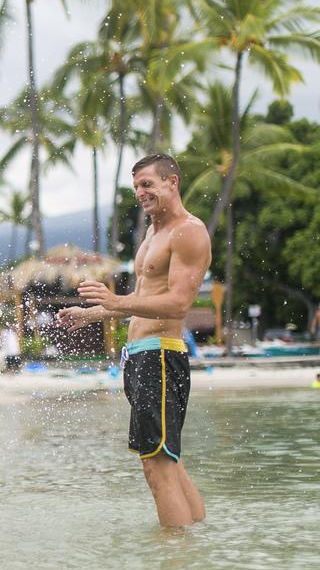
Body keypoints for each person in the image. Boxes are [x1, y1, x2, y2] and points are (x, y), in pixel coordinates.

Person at [57, 153, 211, 528]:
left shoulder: (188, 231)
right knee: (169, 459)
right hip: (142, 358)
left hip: (160, 356)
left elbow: (178, 304)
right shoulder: (152, 234)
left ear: (172, 182)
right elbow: (145, 302)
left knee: (156, 466)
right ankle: (197, 548)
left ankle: (169, 568)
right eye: (137, 186)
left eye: (148, 184)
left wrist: (115, 301)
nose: (141, 193)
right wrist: (92, 314)